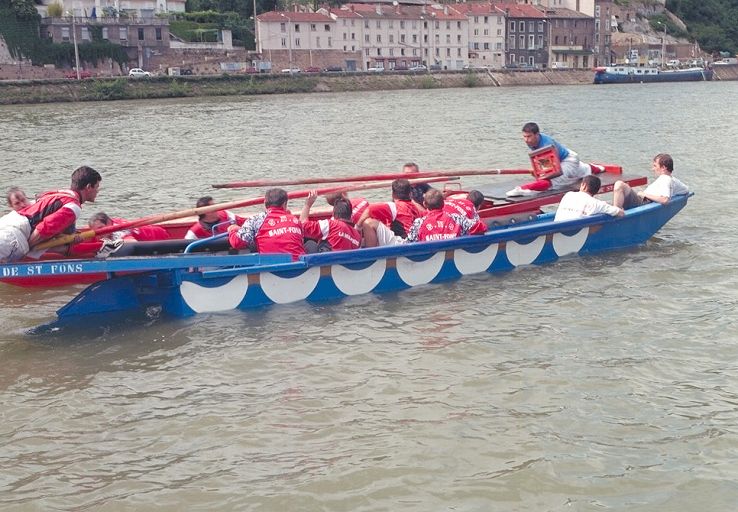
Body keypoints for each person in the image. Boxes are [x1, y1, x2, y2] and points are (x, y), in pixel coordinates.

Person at [0, 165, 101, 263]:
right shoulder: (74, 207)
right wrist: (28, 248)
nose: (98, 191)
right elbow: (43, 229)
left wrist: (69, 237)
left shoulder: (61, 193)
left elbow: (42, 214)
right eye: (97, 187)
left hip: (7, 223)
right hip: (13, 235)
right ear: (88, 187)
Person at [507, 122, 598, 197]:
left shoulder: (546, 145)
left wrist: (539, 174)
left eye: (529, 136)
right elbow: (541, 161)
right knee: (582, 170)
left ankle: (521, 189)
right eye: (524, 136)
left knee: (553, 183)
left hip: (567, 160)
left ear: (537, 135)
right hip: (562, 156)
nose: (526, 140)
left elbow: (555, 171)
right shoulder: (532, 141)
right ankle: (594, 168)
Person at [227, 188, 305, 259]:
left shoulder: (256, 219)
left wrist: (232, 231)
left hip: (271, 267)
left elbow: (237, 243)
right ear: (284, 204)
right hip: (299, 266)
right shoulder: (295, 220)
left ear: (265, 202)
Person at [357, 179, 424, 247]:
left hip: (402, 243)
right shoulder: (417, 207)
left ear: (392, 194)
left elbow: (369, 209)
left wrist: (357, 228)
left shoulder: (394, 206)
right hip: (414, 241)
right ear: (410, 194)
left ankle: (370, 256)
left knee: (369, 223)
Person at [612, 153, 689, 209]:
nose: (653, 169)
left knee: (619, 185)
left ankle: (616, 212)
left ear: (663, 168)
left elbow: (665, 200)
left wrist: (644, 194)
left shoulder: (666, 179)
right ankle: (616, 208)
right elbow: (686, 190)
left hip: (642, 202)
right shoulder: (671, 179)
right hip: (643, 199)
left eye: (655, 166)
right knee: (632, 188)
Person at [406, 189, 487, 242]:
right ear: (443, 203)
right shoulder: (458, 219)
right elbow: (482, 227)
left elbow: (409, 243)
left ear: (424, 204)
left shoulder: (419, 223)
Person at [554, 175, 624, 222]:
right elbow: (620, 213)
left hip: (558, 226)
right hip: (575, 230)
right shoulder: (597, 204)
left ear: (583, 186)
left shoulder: (568, 195)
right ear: (596, 191)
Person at [88, 212, 170, 241]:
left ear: (109, 224)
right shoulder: (109, 222)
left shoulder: (118, 232)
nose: (99, 233)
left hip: (161, 237)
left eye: (101, 228)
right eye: (95, 232)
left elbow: (133, 244)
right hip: (150, 230)